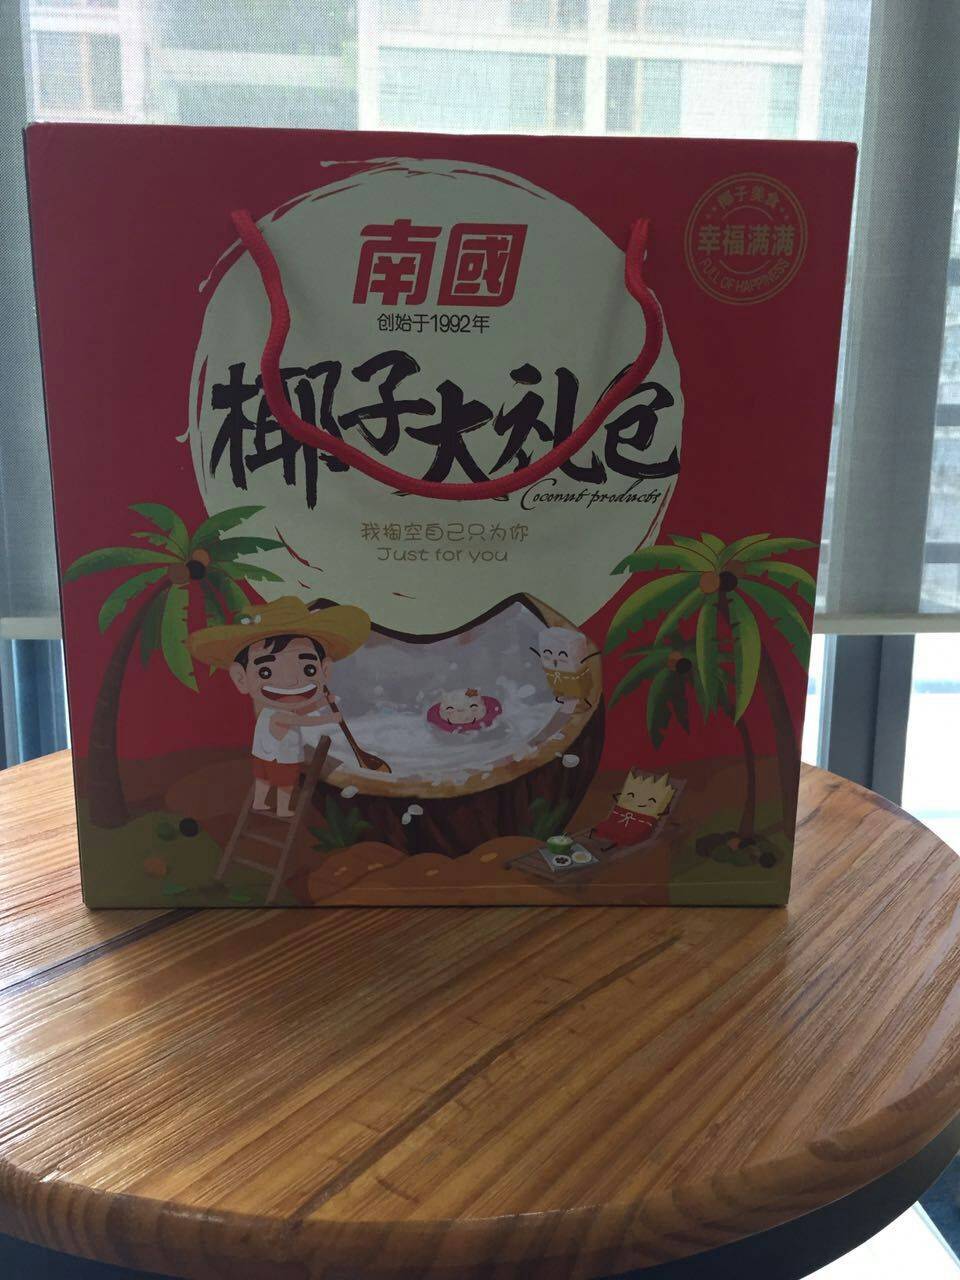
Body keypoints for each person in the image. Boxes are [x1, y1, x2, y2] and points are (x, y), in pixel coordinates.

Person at [188, 596, 370, 817]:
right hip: (280, 757)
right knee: (285, 784)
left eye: (308, 669)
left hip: (265, 756)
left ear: (325, 671)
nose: (291, 681)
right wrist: (328, 718)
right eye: (266, 672)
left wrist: (322, 702)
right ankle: (282, 808)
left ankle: (259, 802)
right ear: (241, 679)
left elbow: (298, 712)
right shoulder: (275, 714)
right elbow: (297, 719)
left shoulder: (274, 711)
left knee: (264, 780)